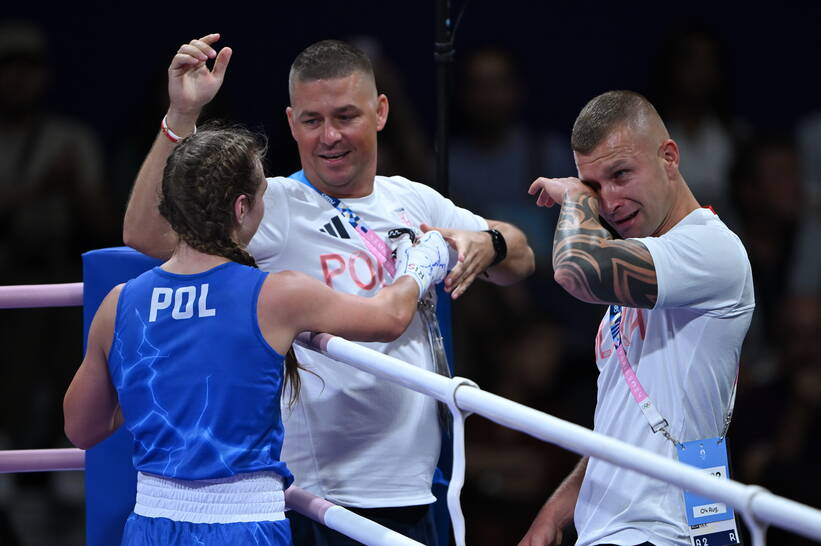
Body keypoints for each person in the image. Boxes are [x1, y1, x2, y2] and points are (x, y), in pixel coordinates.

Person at [122, 34, 535, 544]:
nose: (330, 136)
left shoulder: (415, 199)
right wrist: (181, 116)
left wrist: (489, 242)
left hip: (415, 485)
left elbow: (521, 257)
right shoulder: (273, 203)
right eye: (313, 121)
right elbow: (144, 234)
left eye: (345, 116)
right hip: (313, 496)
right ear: (291, 122)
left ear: (381, 111)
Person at [64, 124, 451, 545]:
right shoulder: (276, 294)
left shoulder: (120, 303)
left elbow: (82, 430)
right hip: (244, 527)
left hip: (149, 525)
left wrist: (154, 378)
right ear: (242, 207)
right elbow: (390, 317)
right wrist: (420, 264)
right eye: (263, 194)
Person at [519, 90, 754, 546]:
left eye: (621, 175)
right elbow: (624, 423)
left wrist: (574, 199)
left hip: (659, 531)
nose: (609, 201)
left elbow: (574, 270)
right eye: (593, 186)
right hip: (614, 529)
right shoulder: (640, 270)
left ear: (669, 157)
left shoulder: (710, 249)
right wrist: (556, 511)